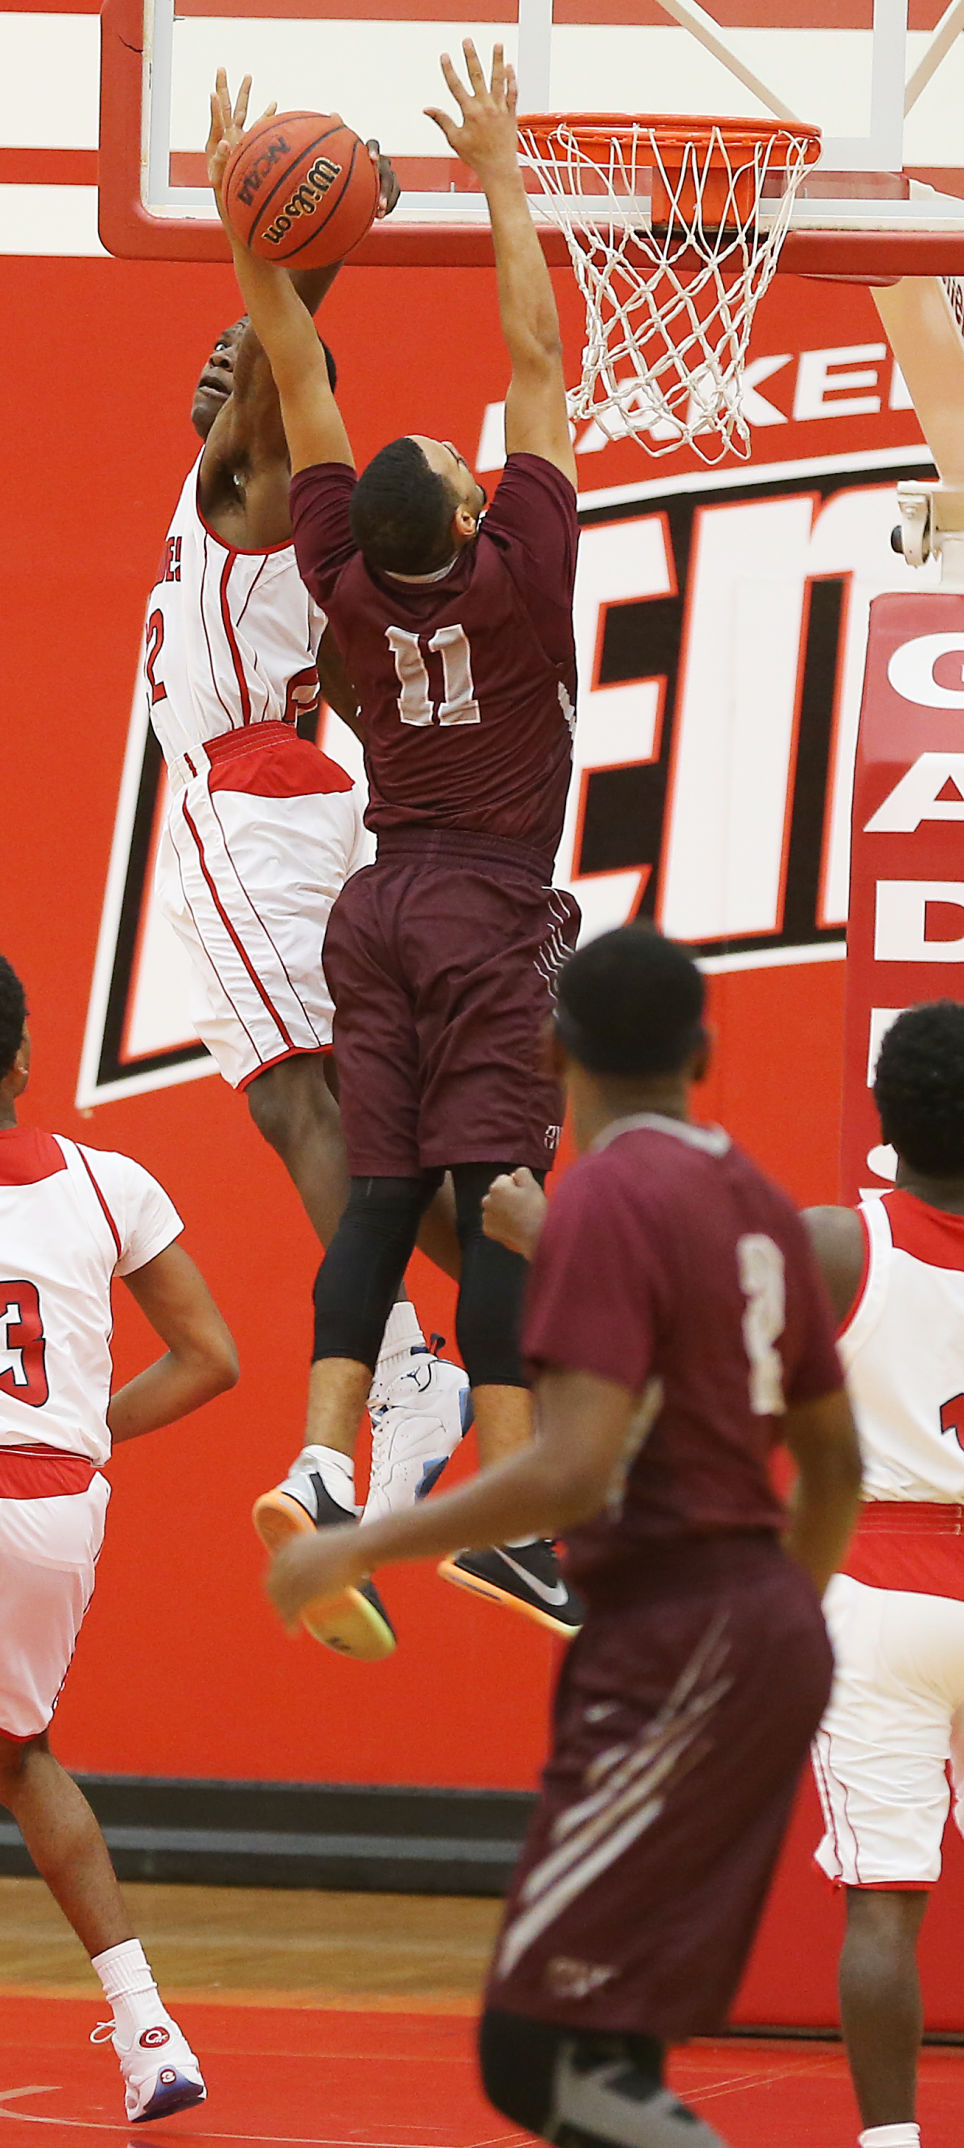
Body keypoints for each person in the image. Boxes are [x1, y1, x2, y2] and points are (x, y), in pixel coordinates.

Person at [264, 924, 863, 2148]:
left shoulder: (603, 1197)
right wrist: (772, 1617)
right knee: (609, 2046)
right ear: (701, 1047)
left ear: (547, 1048)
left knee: (529, 2049)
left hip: (676, 1633)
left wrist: (364, 1544)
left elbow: (574, 1470)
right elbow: (833, 1467)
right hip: (758, 1626)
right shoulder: (753, 1198)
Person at [208, 45, 583, 1654]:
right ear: (474, 506)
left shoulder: (347, 574)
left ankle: (322, 1451)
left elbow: (299, 372)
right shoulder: (522, 579)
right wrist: (502, 168)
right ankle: (517, 1522)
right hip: (489, 911)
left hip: (378, 904)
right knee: (498, 1195)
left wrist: (250, 229)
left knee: (376, 1196)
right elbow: (536, 343)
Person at [148, 80, 469, 1659]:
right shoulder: (242, 518)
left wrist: (294, 222)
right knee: (387, 1123)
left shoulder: (247, 492)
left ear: (278, 414)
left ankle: (404, 1365)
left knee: (298, 1099)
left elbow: (280, 331)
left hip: (258, 811)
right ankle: (533, 1334)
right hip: (307, 804)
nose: (219, 377)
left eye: (244, 376)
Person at [0, 954, 238, 2121]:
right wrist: (85, 1437)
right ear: (26, 1060)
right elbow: (212, 1359)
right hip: (53, 1508)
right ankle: (148, 2030)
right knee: (19, 1754)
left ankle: (149, 2028)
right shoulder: (108, 1182)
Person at [804, 999, 964, 2148]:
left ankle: (891, 2145)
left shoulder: (835, 1241)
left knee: (884, 1906)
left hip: (874, 1582)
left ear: (884, 1115)